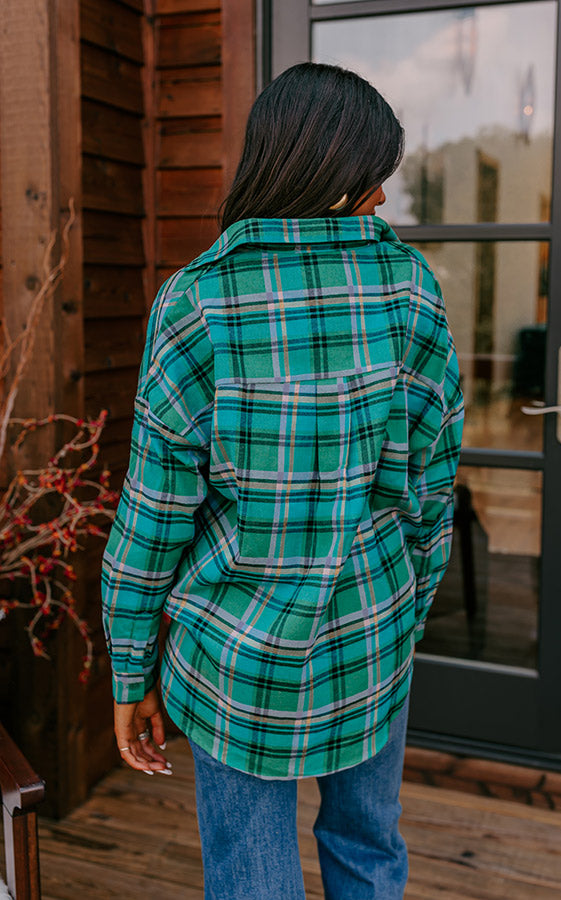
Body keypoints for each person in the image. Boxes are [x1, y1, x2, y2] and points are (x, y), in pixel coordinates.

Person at [101, 62, 464, 900]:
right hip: (371, 636)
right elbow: (432, 490)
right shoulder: (411, 289)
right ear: (328, 175)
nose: (382, 196)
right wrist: (407, 613)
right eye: (372, 175)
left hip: (235, 657)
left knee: (249, 872)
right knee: (368, 843)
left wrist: (132, 669)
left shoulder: (197, 302)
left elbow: (153, 517)